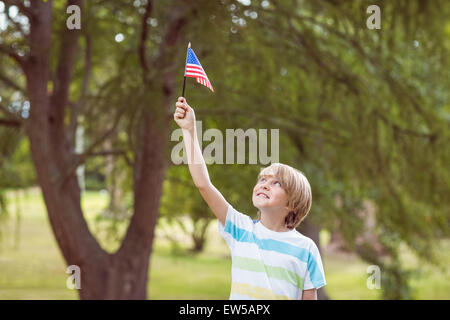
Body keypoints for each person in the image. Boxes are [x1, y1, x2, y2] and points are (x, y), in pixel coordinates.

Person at [173, 97, 326, 300]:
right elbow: (203, 184)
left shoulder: (306, 249)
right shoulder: (241, 229)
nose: (264, 184)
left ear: (292, 203)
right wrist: (189, 130)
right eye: (263, 179)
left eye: (276, 183)